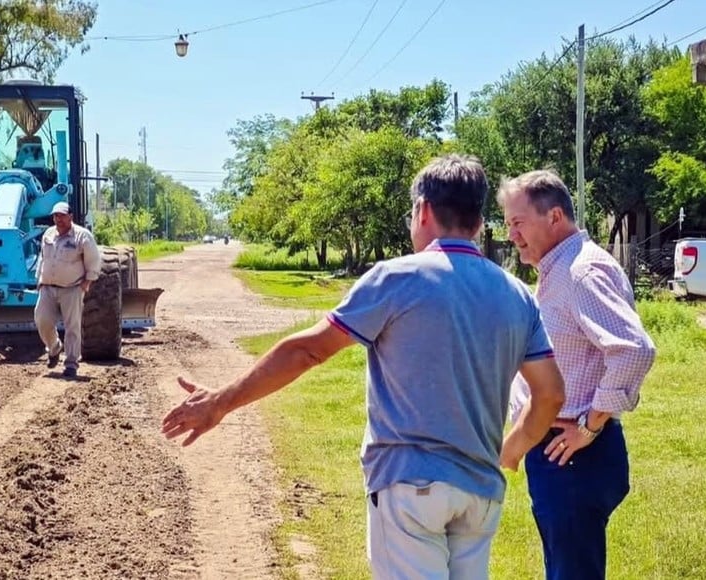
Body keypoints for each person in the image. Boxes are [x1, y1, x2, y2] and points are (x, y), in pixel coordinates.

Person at [161, 154, 566, 579]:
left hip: (409, 486)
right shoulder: (517, 295)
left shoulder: (396, 278)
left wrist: (221, 402)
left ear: (422, 211)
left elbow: (308, 351)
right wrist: (512, 448)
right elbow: (551, 393)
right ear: (480, 223)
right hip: (479, 493)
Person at [497, 170, 657, 580]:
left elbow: (634, 350)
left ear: (553, 217)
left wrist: (590, 425)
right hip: (556, 452)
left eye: (518, 222)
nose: (511, 234)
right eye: (508, 223)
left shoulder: (581, 273)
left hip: (573, 455)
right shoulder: (559, 270)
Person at [34, 201, 101, 378]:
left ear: (70, 216)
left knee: (72, 326)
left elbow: (93, 261)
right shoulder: (48, 234)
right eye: (56, 216)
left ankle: (71, 363)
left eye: (62, 215)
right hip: (47, 287)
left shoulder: (82, 236)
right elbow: (43, 258)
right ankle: (54, 347)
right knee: (42, 320)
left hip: (72, 288)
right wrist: (39, 279)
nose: (59, 219)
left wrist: (87, 282)